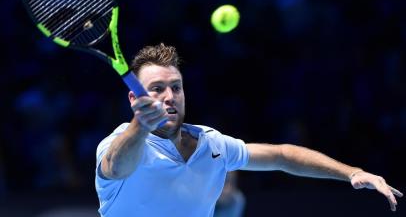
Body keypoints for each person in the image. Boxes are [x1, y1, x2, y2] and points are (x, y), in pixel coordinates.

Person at [95, 43, 402, 217]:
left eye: (176, 87)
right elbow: (116, 167)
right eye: (157, 88)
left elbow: (282, 155)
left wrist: (351, 172)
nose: (168, 96)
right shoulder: (118, 144)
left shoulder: (211, 143)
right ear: (135, 98)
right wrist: (140, 125)